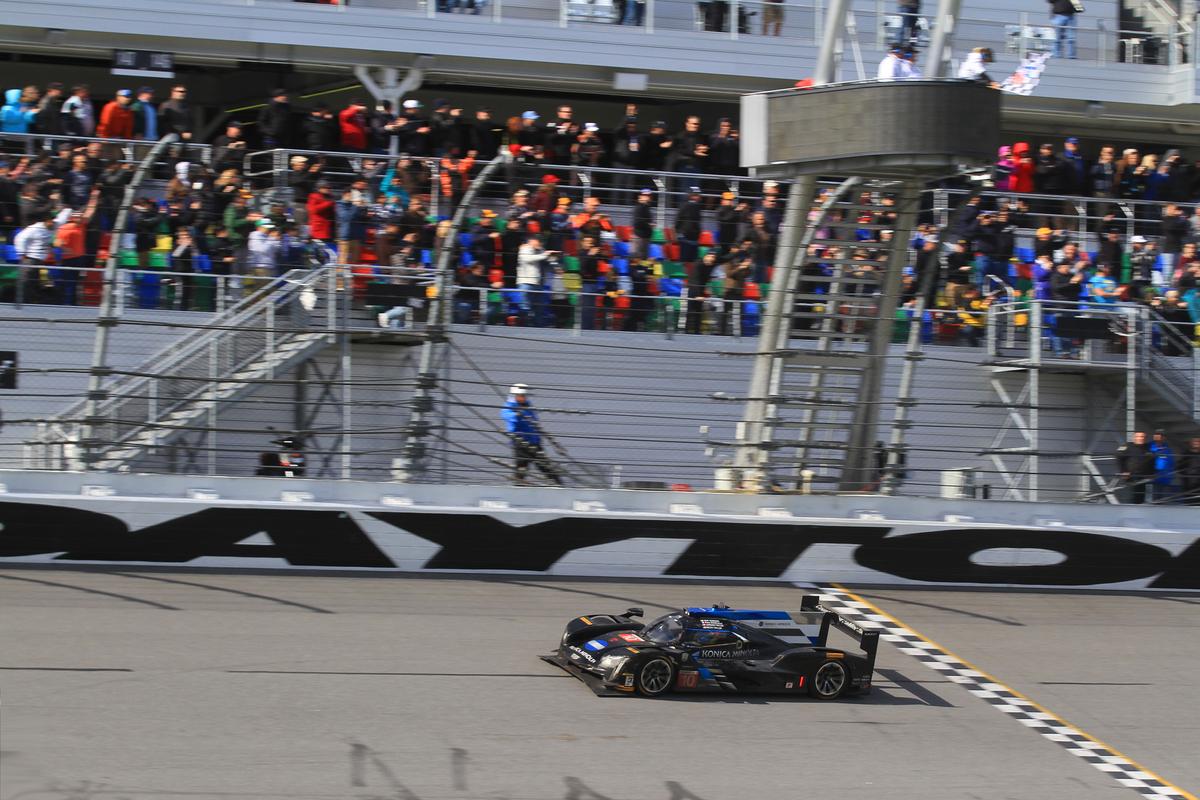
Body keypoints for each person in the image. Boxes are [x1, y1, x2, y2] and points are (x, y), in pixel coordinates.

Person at [501, 384, 563, 485]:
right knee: (521, 469)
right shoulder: (509, 406)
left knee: (546, 466)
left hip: (534, 442)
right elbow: (508, 416)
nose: (524, 397)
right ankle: (518, 489)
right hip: (521, 443)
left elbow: (534, 421)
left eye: (525, 395)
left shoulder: (528, 405)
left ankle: (559, 485)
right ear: (515, 395)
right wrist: (517, 414)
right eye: (522, 395)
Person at [1116, 431, 1157, 504]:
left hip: (1144, 478)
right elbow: (1118, 456)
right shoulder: (1128, 446)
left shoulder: (1148, 447)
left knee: (1140, 499)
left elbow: (1152, 461)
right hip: (1131, 478)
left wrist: (1152, 473)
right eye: (1138, 436)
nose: (1141, 438)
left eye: (1143, 437)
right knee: (1131, 499)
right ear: (1134, 438)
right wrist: (1123, 471)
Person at [1180, 436, 1200, 506]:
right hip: (1189, 484)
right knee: (1189, 504)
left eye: (1198, 442)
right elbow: (1180, 467)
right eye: (1195, 441)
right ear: (1191, 443)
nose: (1196, 443)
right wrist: (1186, 475)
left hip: (1198, 484)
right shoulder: (1186, 454)